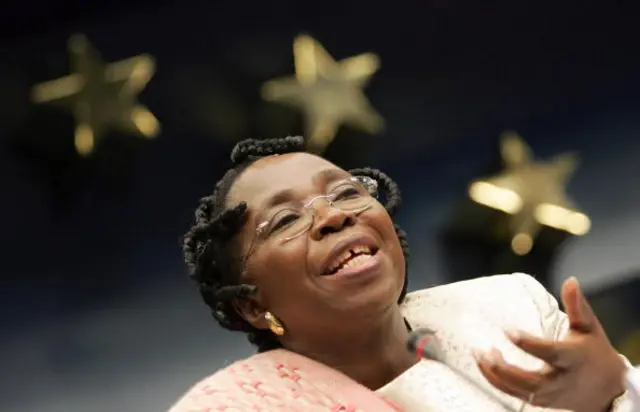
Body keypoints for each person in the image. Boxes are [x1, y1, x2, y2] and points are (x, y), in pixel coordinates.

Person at [172, 136, 633, 411]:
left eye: (348, 193)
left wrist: (609, 393)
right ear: (251, 304)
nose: (333, 216)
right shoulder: (244, 406)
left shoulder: (511, 307)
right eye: (287, 221)